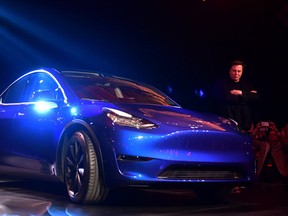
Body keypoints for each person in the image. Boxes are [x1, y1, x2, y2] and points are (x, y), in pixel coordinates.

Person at [212, 60, 259, 132]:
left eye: (239, 71)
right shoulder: (222, 83)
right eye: (234, 71)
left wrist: (240, 93)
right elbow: (227, 98)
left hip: (245, 123)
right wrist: (247, 95)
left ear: (242, 72)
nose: (236, 73)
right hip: (228, 121)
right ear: (230, 71)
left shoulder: (246, 83)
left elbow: (256, 97)